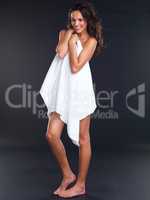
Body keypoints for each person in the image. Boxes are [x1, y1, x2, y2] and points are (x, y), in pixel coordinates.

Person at [40, 1, 104, 198]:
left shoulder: (91, 41)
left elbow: (75, 67)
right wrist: (68, 36)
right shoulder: (65, 33)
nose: (76, 23)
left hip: (80, 93)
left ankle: (81, 185)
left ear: (87, 21)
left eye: (80, 20)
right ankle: (68, 174)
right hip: (63, 92)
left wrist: (72, 42)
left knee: (84, 139)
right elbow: (60, 53)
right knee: (51, 135)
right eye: (73, 20)